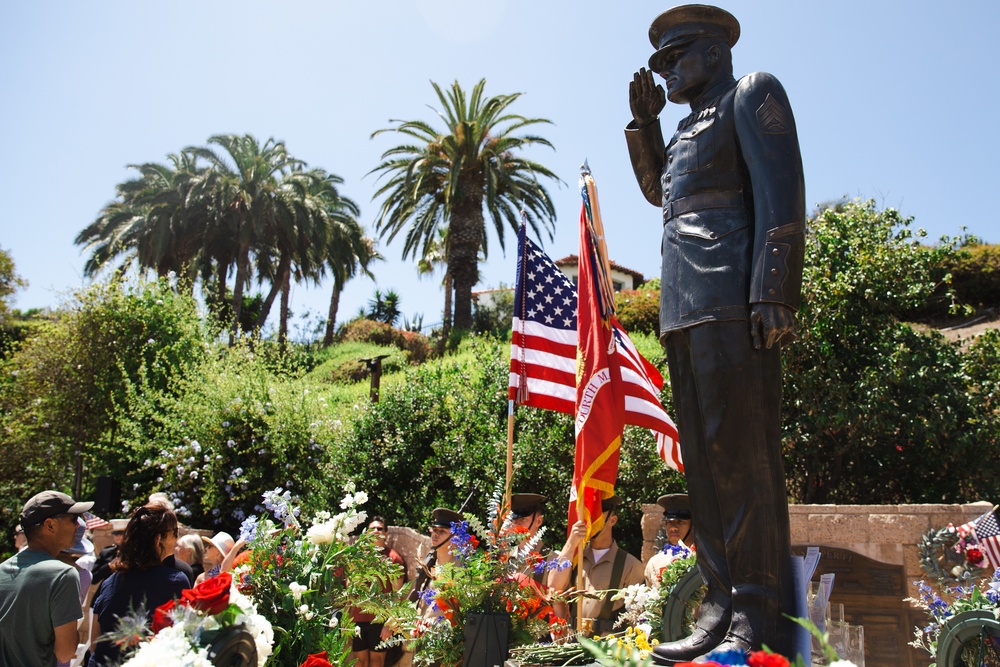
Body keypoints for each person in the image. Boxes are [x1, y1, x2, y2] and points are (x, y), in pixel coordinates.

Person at [625, 5, 805, 661]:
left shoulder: (751, 93)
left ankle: (758, 612)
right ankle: (720, 604)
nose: (667, 71)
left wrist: (773, 291)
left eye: (676, 59)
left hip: (734, 303)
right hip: (684, 313)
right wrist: (645, 125)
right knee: (704, 468)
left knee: (745, 464)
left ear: (712, 51)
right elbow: (658, 192)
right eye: (662, 63)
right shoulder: (681, 131)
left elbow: (782, 193)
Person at [0, 490, 93, 666]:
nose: (78, 526)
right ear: (50, 525)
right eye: (73, 519)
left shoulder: (2, 570)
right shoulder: (64, 575)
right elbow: (65, 653)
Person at [88, 504, 188, 667]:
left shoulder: (110, 582)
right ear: (158, 539)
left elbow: (94, 645)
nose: (176, 539)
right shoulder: (175, 581)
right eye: (174, 533)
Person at [547, 496, 644, 635]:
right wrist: (571, 543)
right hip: (574, 643)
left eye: (598, 515)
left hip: (608, 648)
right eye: (590, 514)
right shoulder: (575, 558)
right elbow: (554, 589)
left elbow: (636, 615)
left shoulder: (630, 565)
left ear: (613, 520)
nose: (592, 520)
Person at [350, 517, 406, 667]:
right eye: (372, 529)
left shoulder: (394, 558)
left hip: (381, 621)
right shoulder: (358, 557)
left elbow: (398, 594)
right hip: (359, 619)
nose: (376, 531)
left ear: (386, 533)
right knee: (359, 662)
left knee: (377, 662)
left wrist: (390, 622)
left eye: (380, 529)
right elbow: (350, 587)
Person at [408, 507, 462, 607]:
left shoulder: (460, 569)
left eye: (442, 531)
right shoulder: (431, 563)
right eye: (434, 530)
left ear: (455, 536)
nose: (435, 535)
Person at [644, 494, 694, 587]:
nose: (673, 528)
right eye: (669, 522)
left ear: (692, 524)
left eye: (680, 522)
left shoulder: (704, 561)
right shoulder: (654, 563)